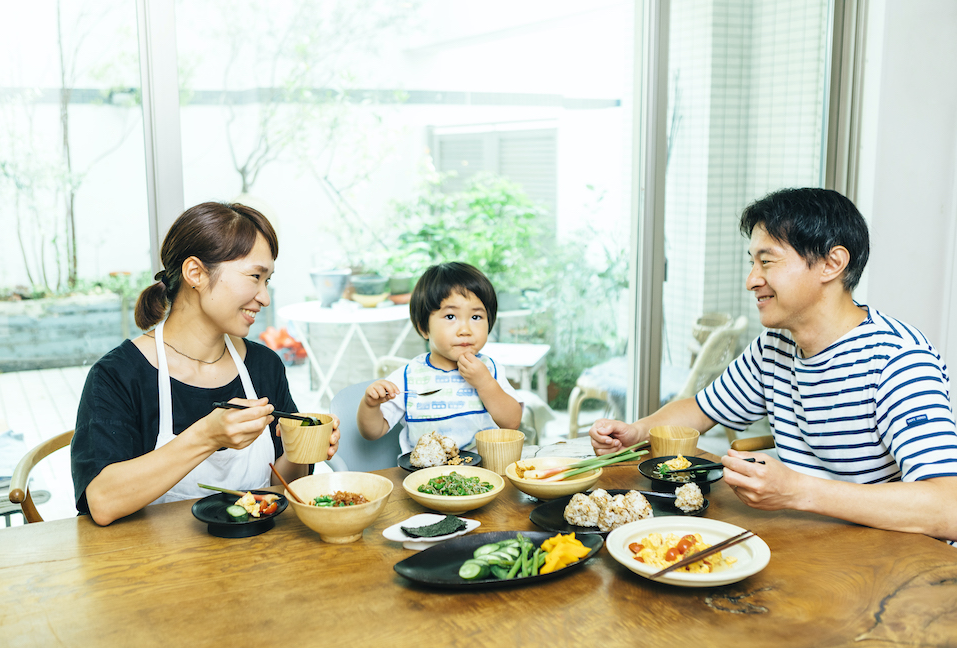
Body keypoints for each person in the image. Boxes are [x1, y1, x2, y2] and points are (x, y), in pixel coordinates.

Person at [591, 188, 957, 543]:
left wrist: (797, 492)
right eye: (752, 262)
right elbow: (700, 409)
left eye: (767, 261)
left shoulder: (898, 360)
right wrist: (638, 432)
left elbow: (948, 507)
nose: (752, 280)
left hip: (882, 562)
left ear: (832, 263)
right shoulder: (775, 347)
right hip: (803, 543)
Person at [71, 202, 339, 526]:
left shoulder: (264, 365)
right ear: (195, 273)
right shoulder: (118, 376)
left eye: (267, 281)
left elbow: (280, 489)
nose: (264, 297)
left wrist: (303, 448)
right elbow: (102, 501)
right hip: (157, 569)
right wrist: (207, 436)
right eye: (255, 276)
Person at [357, 262, 522, 453]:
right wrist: (370, 405)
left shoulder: (490, 369)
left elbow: (512, 423)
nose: (465, 330)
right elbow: (372, 432)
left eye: (476, 317)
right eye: (451, 316)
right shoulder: (407, 377)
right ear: (423, 327)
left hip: (484, 475)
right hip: (426, 477)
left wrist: (485, 383)